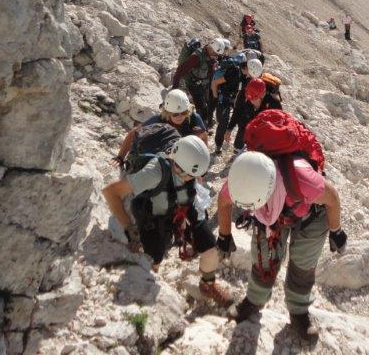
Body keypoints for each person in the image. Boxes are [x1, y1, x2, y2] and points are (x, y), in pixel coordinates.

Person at [216, 111, 347, 340]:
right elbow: (224, 200)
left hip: (311, 215)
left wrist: (336, 231)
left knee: (302, 264)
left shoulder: (301, 178)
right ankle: (254, 300)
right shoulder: (243, 177)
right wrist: (224, 235)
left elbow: (332, 197)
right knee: (264, 260)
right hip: (276, 215)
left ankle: (299, 311)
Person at [102, 136, 232, 306]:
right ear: (177, 166)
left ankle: (208, 283)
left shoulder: (187, 169)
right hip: (155, 219)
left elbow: (190, 185)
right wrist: (128, 227)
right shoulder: (154, 173)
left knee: (210, 248)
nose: (194, 179)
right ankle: (151, 278)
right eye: (191, 175)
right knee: (155, 258)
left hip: (184, 206)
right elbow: (110, 192)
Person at [114, 89, 208, 166]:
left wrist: (202, 161)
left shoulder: (194, 118)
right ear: (168, 113)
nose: (180, 117)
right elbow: (134, 133)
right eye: (175, 114)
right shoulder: (159, 120)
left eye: (184, 113)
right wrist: (120, 157)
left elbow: (204, 137)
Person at [172, 37, 225, 127]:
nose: (216, 56)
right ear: (210, 48)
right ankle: (199, 126)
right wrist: (175, 87)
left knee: (209, 102)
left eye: (217, 55)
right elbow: (181, 70)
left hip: (204, 83)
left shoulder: (210, 57)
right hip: (193, 83)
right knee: (200, 106)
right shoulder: (196, 57)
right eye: (215, 54)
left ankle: (205, 121)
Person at [226, 74, 281, 153]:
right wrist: (229, 129)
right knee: (238, 143)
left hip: (263, 130)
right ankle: (238, 150)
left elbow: (278, 124)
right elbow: (237, 112)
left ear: (263, 94)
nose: (251, 101)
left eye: (255, 99)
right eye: (249, 99)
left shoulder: (274, 103)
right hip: (246, 123)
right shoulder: (243, 95)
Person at [210, 53, 246, 156]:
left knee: (227, 122)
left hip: (230, 98)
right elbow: (214, 83)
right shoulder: (233, 71)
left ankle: (233, 145)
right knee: (223, 123)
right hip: (225, 98)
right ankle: (219, 146)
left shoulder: (241, 73)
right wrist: (216, 97)